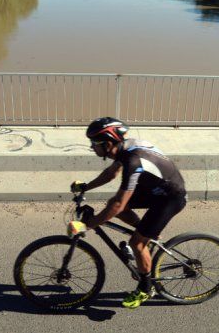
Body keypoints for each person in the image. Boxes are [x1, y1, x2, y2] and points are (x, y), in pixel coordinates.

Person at [69, 117, 188, 309]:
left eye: (94, 143)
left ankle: (146, 288)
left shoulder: (133, 161)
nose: (92, 147)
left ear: (108, 143)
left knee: (136, 242)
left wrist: (86, 226)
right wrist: (86, 187)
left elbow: (117, 204)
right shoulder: (124, 148)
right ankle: (148, 233)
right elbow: (111, 174)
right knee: (122, 213)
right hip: (157, 187)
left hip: (171, 197)